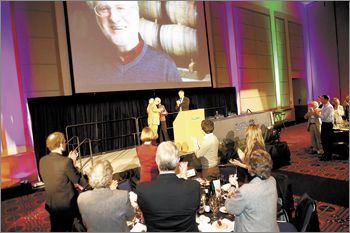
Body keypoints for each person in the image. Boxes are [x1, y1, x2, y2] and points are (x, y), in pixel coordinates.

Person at [86, 1, 182, 83]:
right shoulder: (87, 68)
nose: (114, 18)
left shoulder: (165, 67)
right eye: (104, 9)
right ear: (96, 18)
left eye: (121, 8)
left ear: (136, 11)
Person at [135, 141, 200, 232]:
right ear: (178, 161)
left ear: (157, 161)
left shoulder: (143, 190)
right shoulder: (194, 187)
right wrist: (184, 179)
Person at [39, 132, 89, 231]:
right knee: (78, 227)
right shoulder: (66, 162)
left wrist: (70, 162)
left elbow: (57, 175)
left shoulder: (42, 160)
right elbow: (78, 181)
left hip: (52, 205)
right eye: (65, 142)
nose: (65, 143)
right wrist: (73, 163)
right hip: (68, 206)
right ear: (61, 144)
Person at [225, 149, 279, 232]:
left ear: (251, 167)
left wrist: (232, 186)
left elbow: (230, 208)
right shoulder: (272, 180)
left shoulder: (246, 190)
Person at [77, 160, 134, 231]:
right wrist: (112, 191)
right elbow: (131, 217)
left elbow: (85, 222)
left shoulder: (81, 198)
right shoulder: (122, 196)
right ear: (109, 177)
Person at [319, 95, 334, 161]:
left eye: (322, 99)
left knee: (327, 140)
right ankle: (325, 154)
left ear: (326, 99)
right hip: (324, 124)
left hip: (328, 125)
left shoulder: (329, 107)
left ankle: (328, 156)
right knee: (323, 140)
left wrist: (317, 114)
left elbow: (324, 117)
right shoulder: (324, 106)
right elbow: (321, 112)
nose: (321, 100)